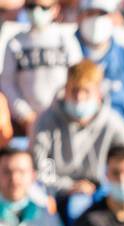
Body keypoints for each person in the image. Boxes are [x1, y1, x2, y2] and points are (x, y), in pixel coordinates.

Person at [32, 60, 124, 202]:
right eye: (74, 91)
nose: (79, 98)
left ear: (98, 93)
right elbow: (41, 169)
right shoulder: (46, 122)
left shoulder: (112, 122)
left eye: (86, 91)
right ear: (65, 89)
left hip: (100, 191)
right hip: (55, 194)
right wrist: (69, 186)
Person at [1, 0, 82, 138]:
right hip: (25, 124)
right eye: (31, 6)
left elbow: (77, 79)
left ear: (55, 9)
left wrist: (61, 111)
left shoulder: (66, 40)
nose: (36, 11)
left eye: (43, 7)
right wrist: (25, 114)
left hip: (62, 118)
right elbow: (7, 83)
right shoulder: (15, 42)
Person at [77, 0, 124, 145]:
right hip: (78, 137)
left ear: (113, 16)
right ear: (80, 16)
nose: (96, 19)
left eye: (101, 13)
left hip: (120, 139)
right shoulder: (68, 52)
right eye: (90, 13)